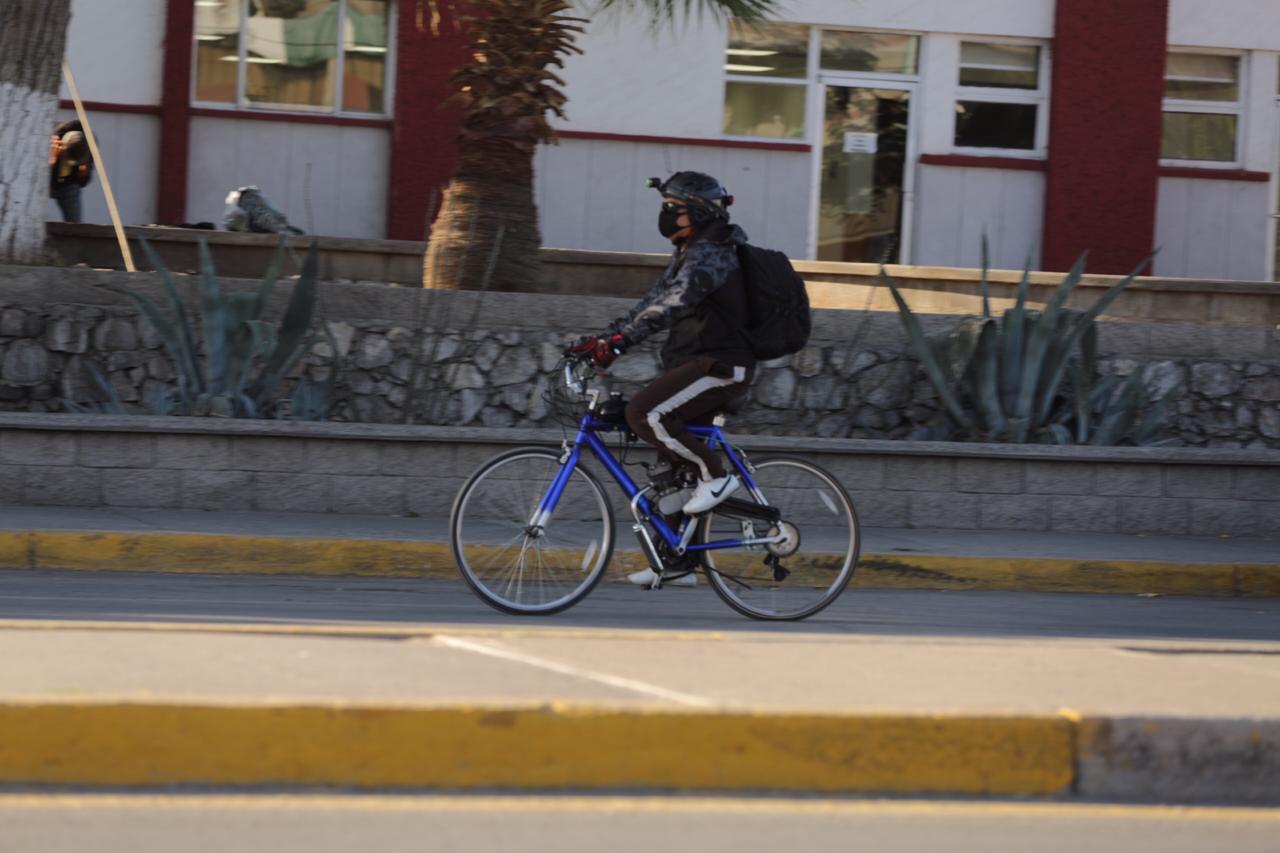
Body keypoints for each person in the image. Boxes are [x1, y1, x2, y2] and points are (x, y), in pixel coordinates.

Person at [571, 171, 756, 585]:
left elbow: (675, 303)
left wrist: (619, 344)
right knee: (670, 466)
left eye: (672, 209)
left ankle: (717, 474)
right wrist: (604, 340)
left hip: (722, 367)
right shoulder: (691, 252)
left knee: (644, 414)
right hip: (698, 365)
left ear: (697, 211)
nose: (666, 217)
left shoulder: (714, 252)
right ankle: (678, 563)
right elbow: (651, 302)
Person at [49, 120, 94, 223]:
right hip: (47, 182)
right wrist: (52, 160)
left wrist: (83, 174)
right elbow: (38, 178)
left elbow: (83, 182)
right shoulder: (52, 139)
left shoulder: (89, 146)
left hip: (69, 186)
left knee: (75, 224)